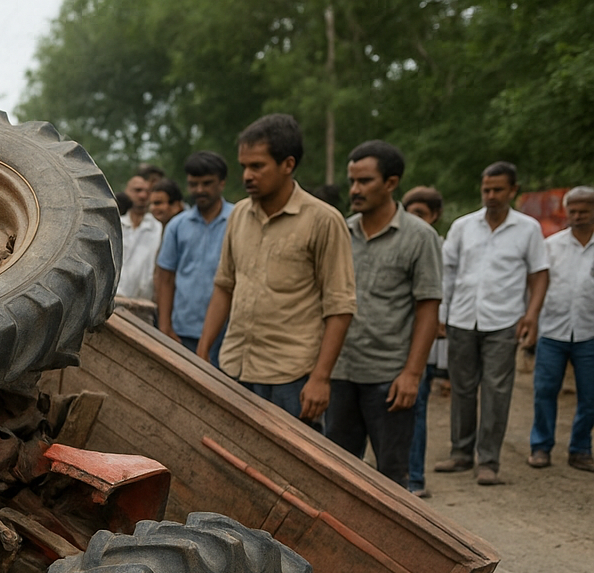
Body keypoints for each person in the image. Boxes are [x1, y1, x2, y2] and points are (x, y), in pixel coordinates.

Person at [198, 114, 355, 425]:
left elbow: (340, 305)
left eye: (257, 166)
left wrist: (321, 378)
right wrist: (202, 354)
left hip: (292, 375)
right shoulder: (240, 213)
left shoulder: (324, 220)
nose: (247, 175)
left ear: (288, 164)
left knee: (290, 470)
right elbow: (224, 285)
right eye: (244, 166)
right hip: (235, 366)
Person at [325, 141, 443, 488]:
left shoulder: (421, 237)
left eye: (365, 181)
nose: (355, 190)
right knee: (336, 474)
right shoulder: (341, 232)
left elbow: (428, 308)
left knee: (392, 480)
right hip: (341, 371)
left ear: (391, 183)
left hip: (389, 378)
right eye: (352, 181)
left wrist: (412, 374)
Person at [437, 161, 550, 485]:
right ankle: (460, 453)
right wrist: (441, 315)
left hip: (503, 322)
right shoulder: (463, 226)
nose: (491, 195)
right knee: (461, 389)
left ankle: (488, 462)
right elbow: (448, 273)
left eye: (498, 189)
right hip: (461, 318)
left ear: (513, 190)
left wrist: (532, 315)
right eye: (486, 189)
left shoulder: (528, 228)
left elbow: (539, 274)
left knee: (497, 392)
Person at [528, 186, 594, 472]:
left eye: (584, 211)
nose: (577, 216)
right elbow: (535, 285)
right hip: (552, 331)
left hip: (589, 332)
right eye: (573, 211)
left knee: (590, 396)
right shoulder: (551, 245)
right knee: (545, 391)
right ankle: (541, 446)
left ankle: (580, 449)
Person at [155, 151, 232, 365]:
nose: (200, 190)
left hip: (228, 333)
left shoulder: (238, 220)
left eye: (207, 183)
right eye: (194, 184)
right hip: (183, 331)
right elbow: (166, 278)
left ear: (222, 183)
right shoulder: (178, 225)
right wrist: (164, 327)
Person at [402, 186, 447, 496]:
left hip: (423, 347)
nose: (414, 219)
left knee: (417, 412)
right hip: (394, 347)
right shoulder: (401, 244)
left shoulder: (442, 246)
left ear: (435, 216)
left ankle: (415, 478)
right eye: (409, 212)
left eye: (420, 213)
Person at [117, 173, 163, 301]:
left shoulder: (158, 228)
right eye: (137, 190)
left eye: (147, 191)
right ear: (127, 191)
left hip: (144, 303)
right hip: (113, 300)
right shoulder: (116, 224)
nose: (142, 196)